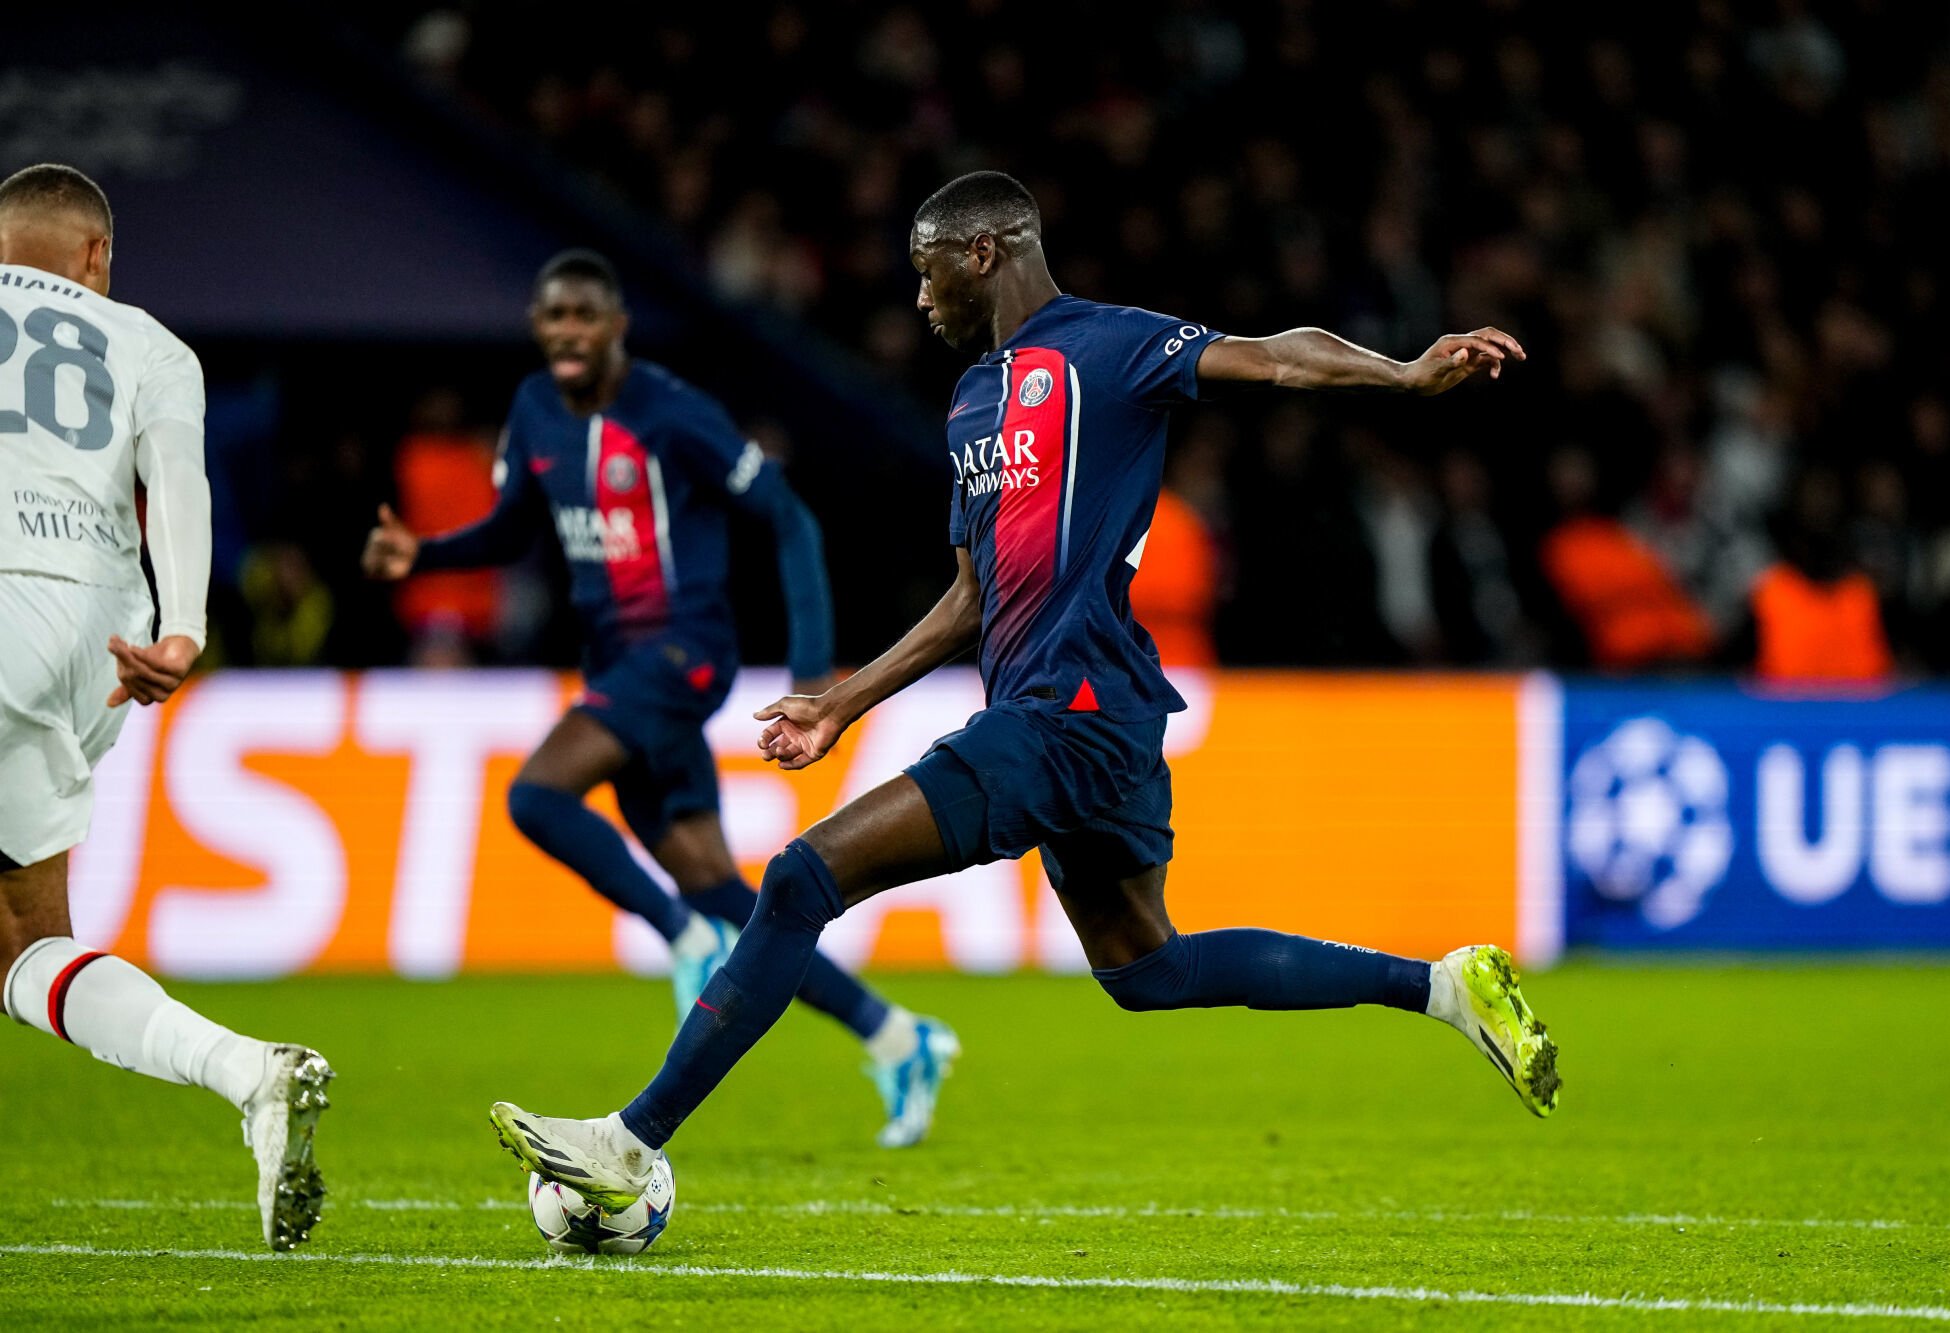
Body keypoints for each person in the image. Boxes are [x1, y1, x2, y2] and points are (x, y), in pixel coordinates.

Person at [490, 174, 1558, 1208]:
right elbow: (969, 599)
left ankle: (630, 1140)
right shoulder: (971, 403)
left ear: (981, 251)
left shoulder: (1111, 344)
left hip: (1067, 714)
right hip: (1090, 722)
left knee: (801, 879)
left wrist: (1401, 374)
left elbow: (1277, 355)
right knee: (1147, 970)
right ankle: (1441, 986)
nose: (918, 296)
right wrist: (840, 702)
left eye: (926, 271)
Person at [364, 250, 956, 1148]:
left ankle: (678, 935)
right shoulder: (533, 410)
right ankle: (897, 1035)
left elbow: (789, 518)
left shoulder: (672, 413)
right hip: (615, 665)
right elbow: (515, 527)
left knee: (536, 794)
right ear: (538, 326)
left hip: (684, 652)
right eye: (553, 316)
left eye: (584, 315)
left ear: (615, 326)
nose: (568, 331)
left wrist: (813, 677)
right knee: (721, 887)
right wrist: (426, 554)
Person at [0, 164, 332, 1251]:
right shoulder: (149, 343)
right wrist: (183, 629)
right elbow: (178, 480)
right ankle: (247, 1072)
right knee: (24, 942)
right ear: (97, 255)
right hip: (98, 637)